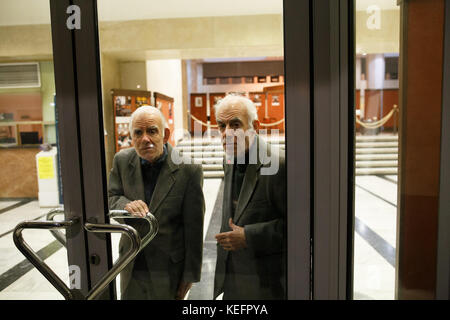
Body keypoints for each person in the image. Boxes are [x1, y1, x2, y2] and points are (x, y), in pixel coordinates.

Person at [108, 105, 205, 300]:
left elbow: (194, 228)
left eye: (152, 131)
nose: (145, 139)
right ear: (131, 136)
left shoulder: (189, 169)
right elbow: (111, 198)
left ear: (165, 134)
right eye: (138, 132)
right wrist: (125, 206)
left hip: (168, 268)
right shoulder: (121, 161)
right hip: (131, 262)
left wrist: (190, 275)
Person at [213, 94, 286, 300]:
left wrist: (249, 236)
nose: (227, 133)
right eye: (221, 126)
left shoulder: (279, 165)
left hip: (267, 285)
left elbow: (299, 227)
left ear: (254, 126)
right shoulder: (229, 159)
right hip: (233, 277)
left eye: (235, 124)